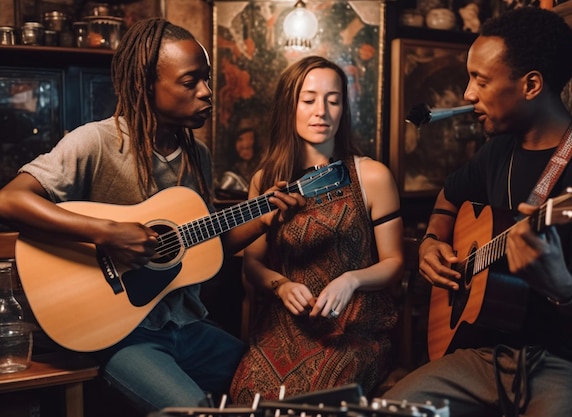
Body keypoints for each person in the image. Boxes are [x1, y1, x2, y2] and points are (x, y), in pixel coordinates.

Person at [0, 18, 304, 414]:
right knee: (196, 412)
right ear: (146, 84)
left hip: (187, 327)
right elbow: (9, 200)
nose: (207, 92)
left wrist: (264, 217)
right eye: (190, 81)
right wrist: (107, 233)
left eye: (207, 80)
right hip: (120, 335)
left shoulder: (198, 156)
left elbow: (202, 244)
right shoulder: (96, 142)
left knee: (282, 389)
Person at [384, 7, 572, 417]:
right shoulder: (497, 151)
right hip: (481, 352)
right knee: (386, 410)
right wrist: (430, 243)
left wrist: (562, 286)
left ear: (530, 84)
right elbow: (450, 195)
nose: (467, 95)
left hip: (564, 365)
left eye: (480, 80)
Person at [229, 56, 404, 404]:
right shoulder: (265, 181)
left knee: (317, 400)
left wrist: (352, 280)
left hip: (354, 329)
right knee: (246, 397)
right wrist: (281, 286)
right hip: (283, 327)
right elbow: (252, 266)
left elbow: (395, 264)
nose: (321, 111)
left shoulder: (373, 176)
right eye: (309, 100)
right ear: (289, 107)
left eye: (333, 100)